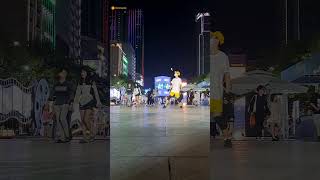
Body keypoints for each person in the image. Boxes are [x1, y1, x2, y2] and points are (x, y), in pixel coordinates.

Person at [209, 31, 232, 147]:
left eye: (214, 38)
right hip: (206, 92)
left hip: (217, 92)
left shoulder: (223, 57)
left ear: (219, 41)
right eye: (210, 38)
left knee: (217, 116)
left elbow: (227, 76)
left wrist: (228, 91)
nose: (212, 40)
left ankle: (227, 137)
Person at [74, 68, 102, 143]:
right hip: (81, 101)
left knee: (86, 119)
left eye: (83, 72)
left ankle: (92, 134)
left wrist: (98, 101)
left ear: (87, 73)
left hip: (89, 101)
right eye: (81, 72)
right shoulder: (80, 82)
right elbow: (77, 93)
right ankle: (85, 137)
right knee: (82, 120)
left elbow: (95, 92)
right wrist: (75, 102)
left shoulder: (91, 81)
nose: (82, 73)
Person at [49, 69, 74, 143]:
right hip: (57, 104)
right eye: (60, 72)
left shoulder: (68, 84)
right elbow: (52, 94)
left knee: (62, 118)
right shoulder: (56, 84)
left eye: (63, 73)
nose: (61, 74)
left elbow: (71, 94)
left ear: (65, 74)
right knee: (58, 120)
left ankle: (67, 135)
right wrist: (50, 102)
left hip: (65, 103)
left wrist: (71, 102)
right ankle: (62, 138)